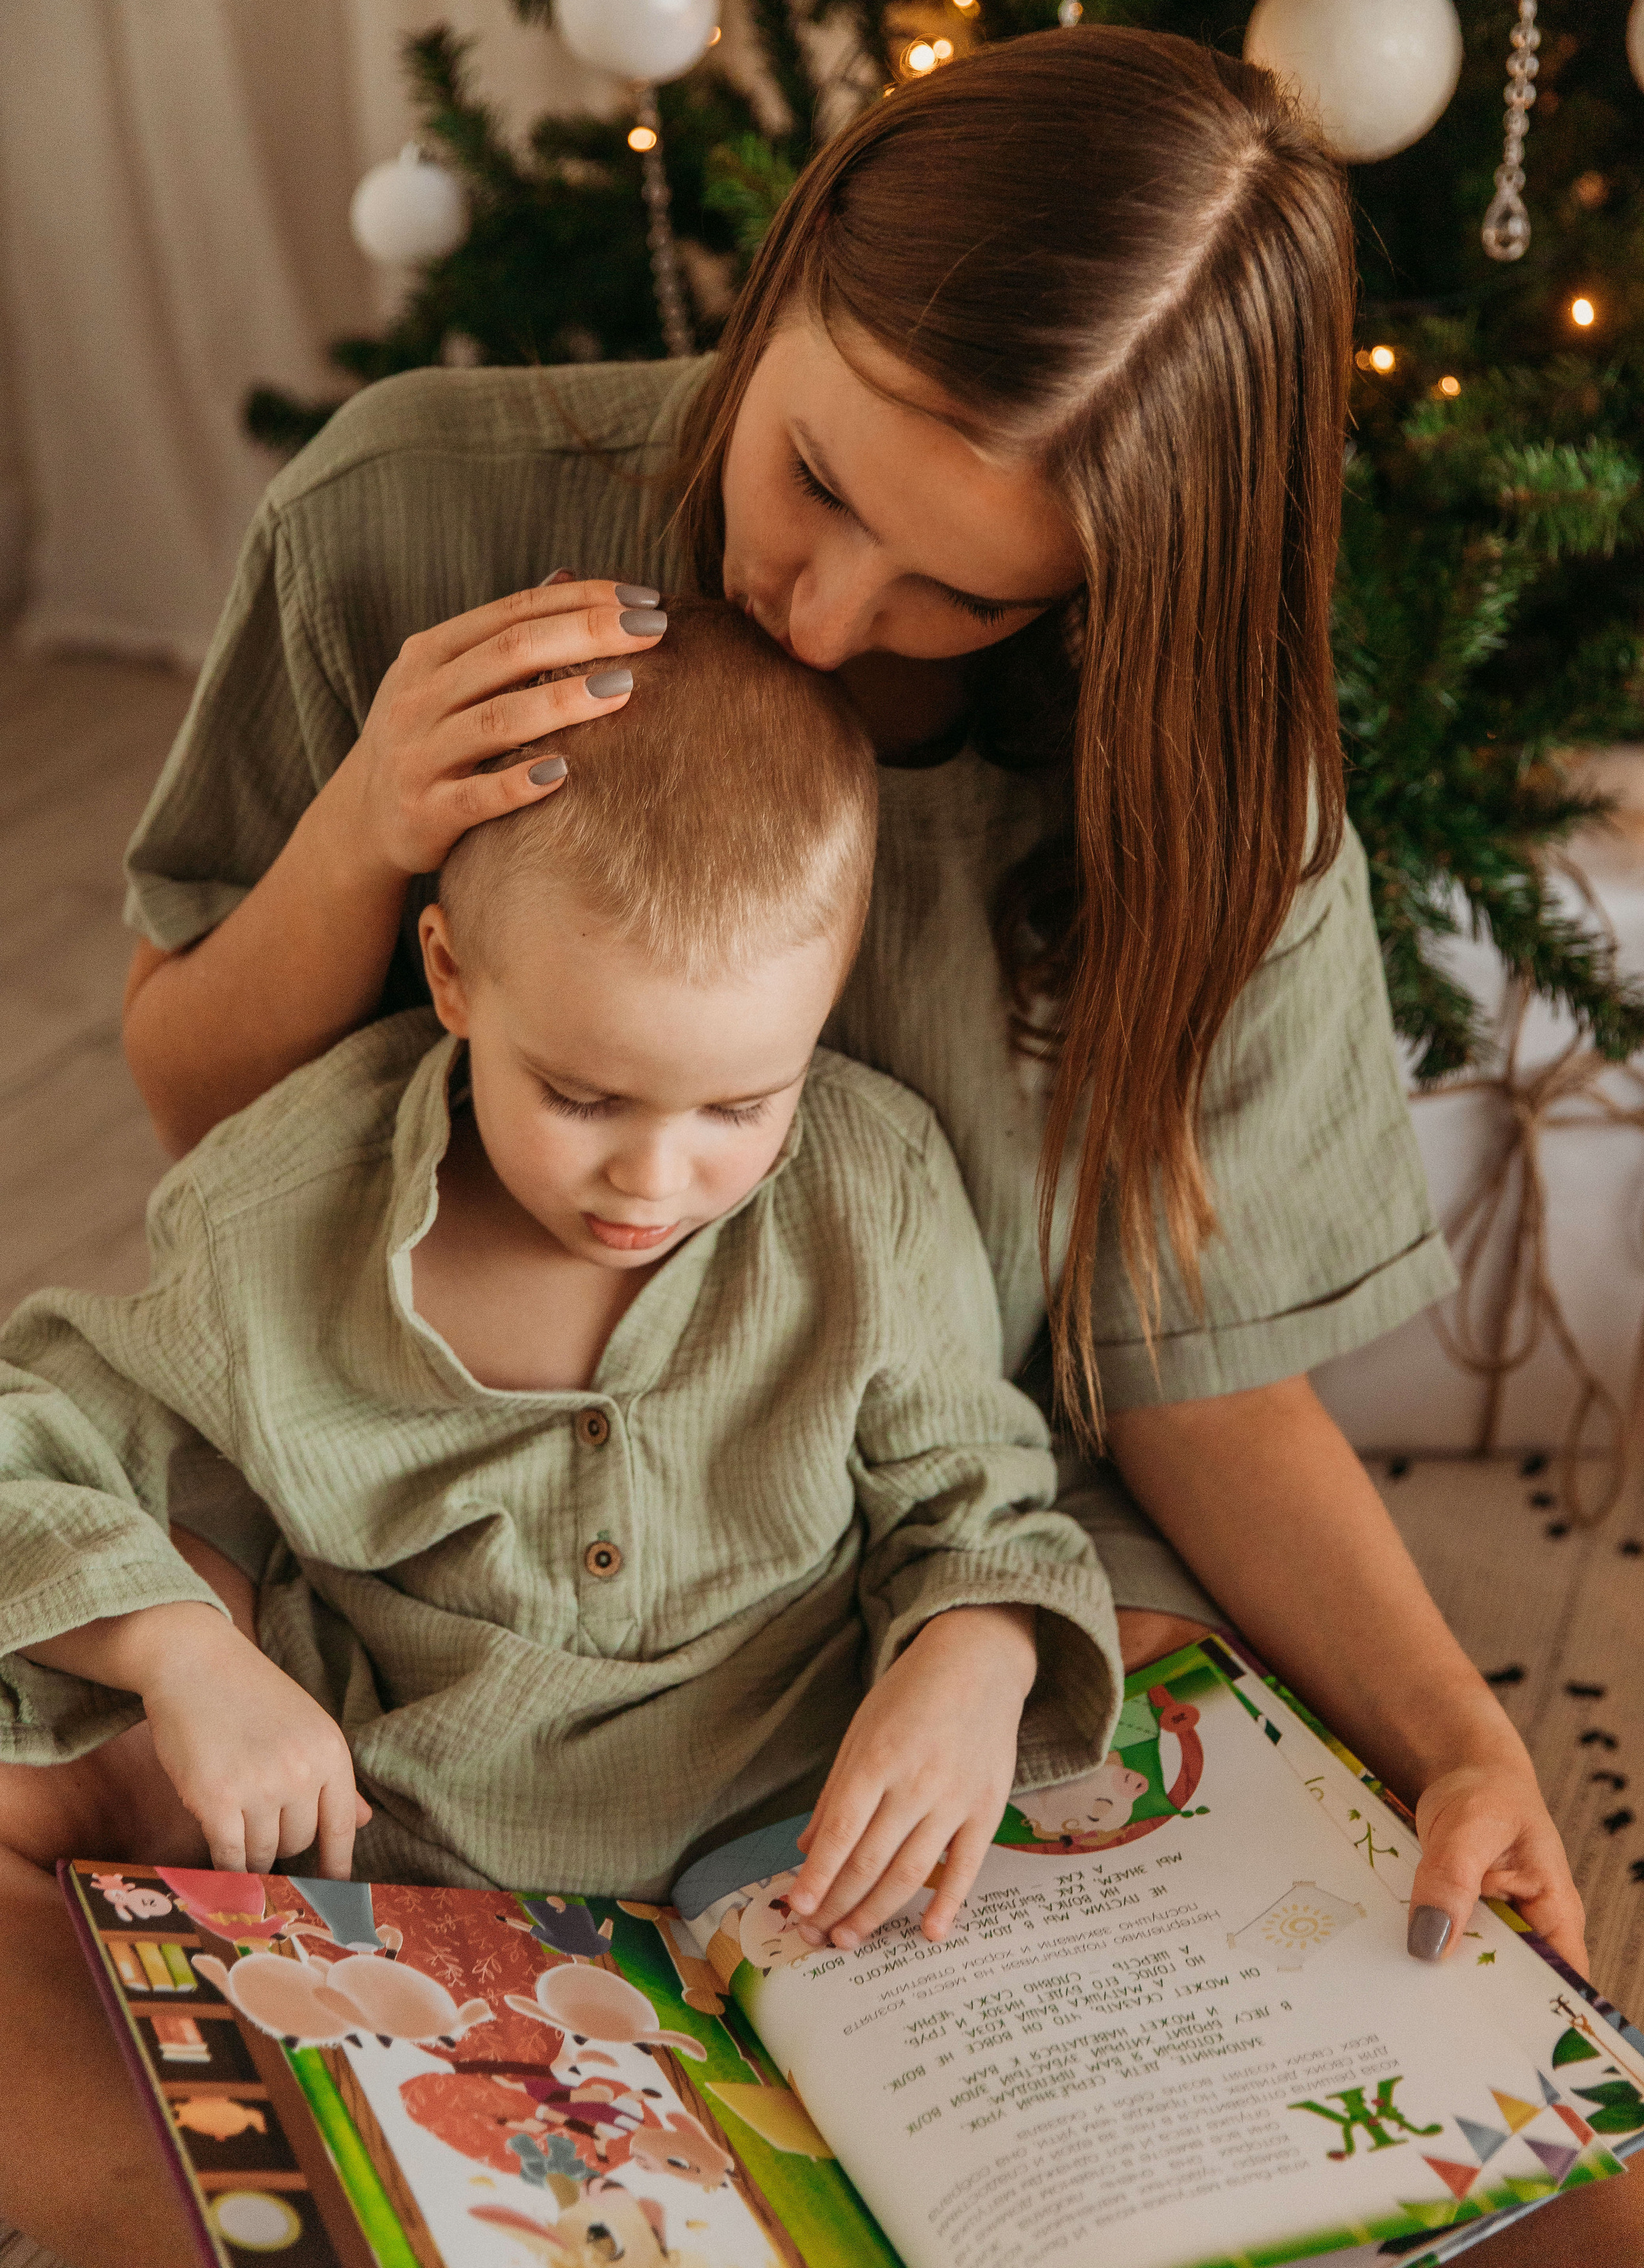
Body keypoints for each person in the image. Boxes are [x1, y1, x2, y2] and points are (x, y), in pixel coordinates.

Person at [9, 24, 1624, 2263]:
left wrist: (1452, 1732)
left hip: (924, 1557)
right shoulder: (413, 515)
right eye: (818, 481)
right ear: (781, 290)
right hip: (398, 1553)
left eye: (971, 594)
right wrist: (369, 832)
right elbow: (210, 1118)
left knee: (1494, 2155)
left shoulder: (1209, 795)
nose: (835, 616)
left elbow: (1191, 1381)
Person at [0, 600, 1117, 1925]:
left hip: (790, 1857)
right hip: (365, 1839)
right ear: (451, 977)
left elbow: (969, 1499)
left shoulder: (871, 1187)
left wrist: (973, 1661)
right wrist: (184, 1654)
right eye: (582, 1098)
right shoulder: (285, 1203)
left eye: (739, 1106)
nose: (653, 1177)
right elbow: (36, 1445)